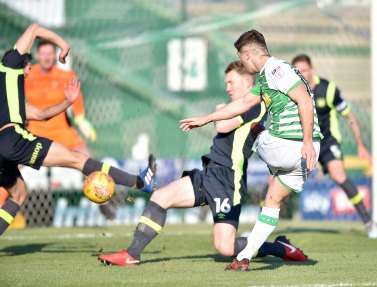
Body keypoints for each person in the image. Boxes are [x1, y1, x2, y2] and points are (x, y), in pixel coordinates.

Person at [98, 61, 308, 266]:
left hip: (228, 179)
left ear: (247, 82)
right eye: (226, 83)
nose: (227, 88)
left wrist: (219, 111)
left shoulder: (256, 106)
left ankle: (279, 248)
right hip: (209, 172)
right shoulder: (236, 105)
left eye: (231, 82)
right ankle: (132, 254)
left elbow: (223, 126)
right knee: (161, 196)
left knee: (225, 248)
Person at [180, 29, 322, 271]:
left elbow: (305, 100)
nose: (243, 64)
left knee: (256, 128)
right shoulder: (268, 76)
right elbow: (244, 102)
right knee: (272, 200)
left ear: (247, 54)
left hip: (292, 144)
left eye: (242, 58)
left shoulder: (276, 70)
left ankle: (263, 142)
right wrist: (206, 118)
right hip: (303, 153)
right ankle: (244, 257)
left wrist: (306, 140)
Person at [0, 23, 155, 236]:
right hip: (12, 139)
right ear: (22, 61)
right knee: (78, 160)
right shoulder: (10, 64)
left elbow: (41, 114)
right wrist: (63, 45)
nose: (29, 71)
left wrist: (67, 102)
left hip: (5, 145)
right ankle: (138, 181)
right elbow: (34, 29)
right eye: (28, 65)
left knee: (18, 195)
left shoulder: (10, 96)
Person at [292, 54, 377, 239]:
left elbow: (350, 117)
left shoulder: (328, 89)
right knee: (275, 180)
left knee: (339, 175)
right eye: (297, 71)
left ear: (312, 70)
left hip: (327, 142)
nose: (301, 74)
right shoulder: (290, 91)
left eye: (305, 70)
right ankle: (259, 228)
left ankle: (368, 221)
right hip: (302, 142)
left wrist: (361, 146)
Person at [25, 40, 114, 219]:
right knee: (7, 162)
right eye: (44, 53)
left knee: (88, 160)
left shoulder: (65, 75)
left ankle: (103, 202)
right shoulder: (27, 75)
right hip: (33, 133)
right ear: (37, 55)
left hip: (63, 133)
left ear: (56, 55)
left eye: (51, 53)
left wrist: (82, 121)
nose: (47, 57)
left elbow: (77, 103)